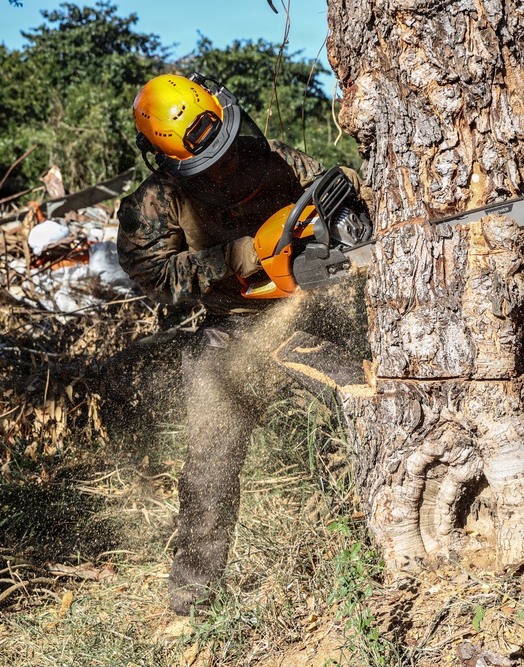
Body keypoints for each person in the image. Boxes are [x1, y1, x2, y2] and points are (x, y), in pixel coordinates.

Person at [115, 73, 358, 615]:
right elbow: (152, 275)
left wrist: (341, 215)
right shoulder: (154, 204)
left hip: (311, 318)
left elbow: (333, 187)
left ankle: (382, 541)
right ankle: (191, 600)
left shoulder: (272, 158)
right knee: (210, 460)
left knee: (366, 403)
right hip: (230, 330)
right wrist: (238, 255)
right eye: (207, 163)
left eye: (225, 148)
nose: (223, 166)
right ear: (165, 160)